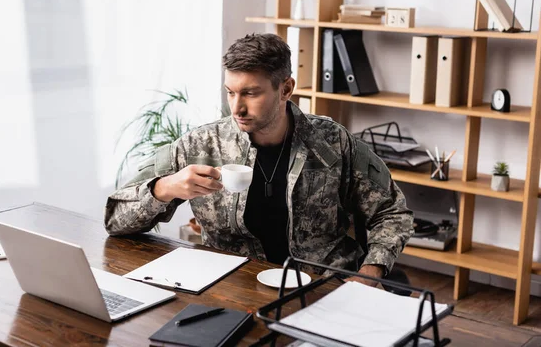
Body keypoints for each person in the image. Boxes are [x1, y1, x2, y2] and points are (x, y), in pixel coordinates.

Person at [104, 33, 413, 286]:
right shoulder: (200, 145)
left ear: (286, 89)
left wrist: (370, 273)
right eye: (230, 92)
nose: (236, 108)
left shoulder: (332, 143)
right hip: (230, 287)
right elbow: (115, 220)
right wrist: (165, 188)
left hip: (321, 286)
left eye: (250, 94)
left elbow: (392, 212)